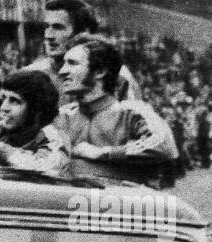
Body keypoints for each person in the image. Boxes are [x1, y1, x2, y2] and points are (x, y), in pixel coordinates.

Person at [53, 35, 177, 185]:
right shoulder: (62, 116)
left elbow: (165, 146)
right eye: (64, 63)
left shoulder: (133, 111)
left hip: (126, 204)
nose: (62, 71)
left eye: (72, 64)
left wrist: (104, 153)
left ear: (100, 71)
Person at [31, 0, 140, 103]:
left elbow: (134, 116)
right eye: (46, 27)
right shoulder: (32, 75)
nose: (48, 35)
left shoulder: (117, 76)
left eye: (58, 27)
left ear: (83, 32)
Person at [0, 68, 69, 175]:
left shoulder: (53, 135)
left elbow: (47, 167)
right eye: (3, 99)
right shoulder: (2, 128)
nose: (3, 107)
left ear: (35, 108)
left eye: (14, 101)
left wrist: (5, 151)